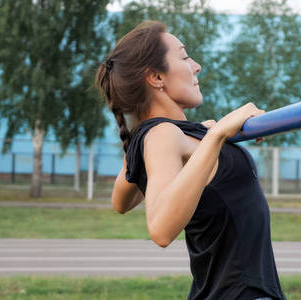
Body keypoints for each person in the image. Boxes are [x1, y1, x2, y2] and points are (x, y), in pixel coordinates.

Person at [95, 20, 286, 300]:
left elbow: (120, 201)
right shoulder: (164, 135)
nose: (196, 66)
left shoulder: (166, 136)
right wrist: (216, 135)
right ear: (156, 78)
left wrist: (201, 138)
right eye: (184, 56)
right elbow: (160, 230)